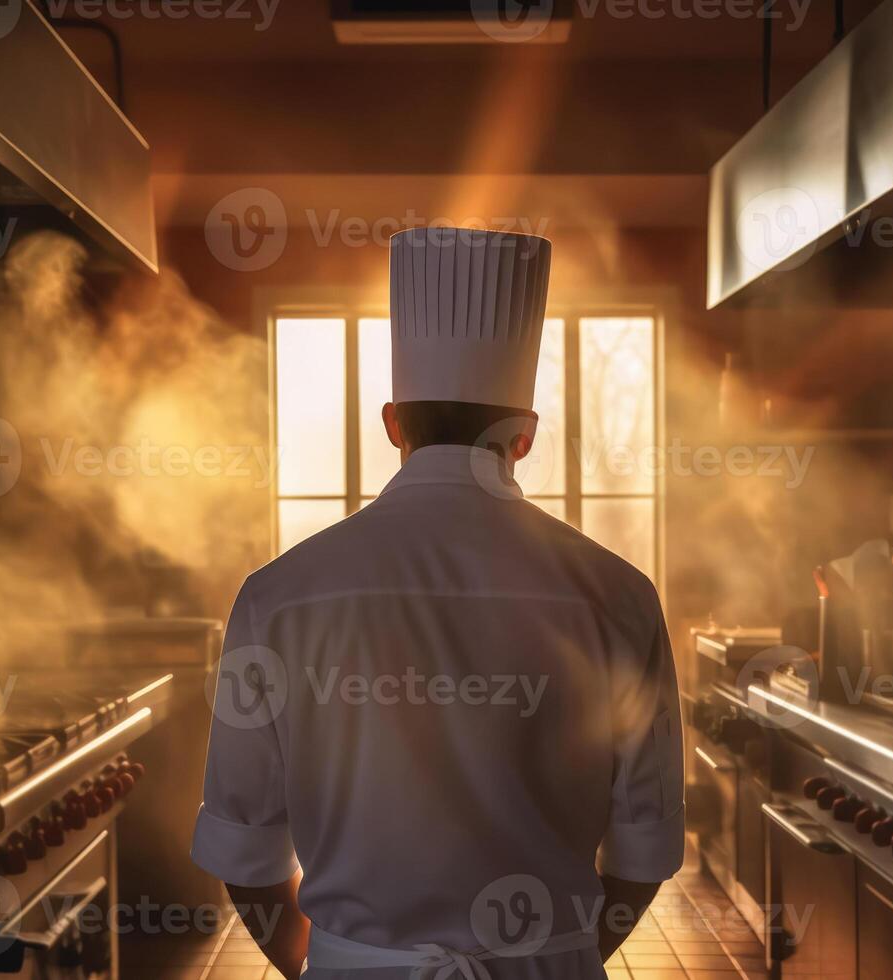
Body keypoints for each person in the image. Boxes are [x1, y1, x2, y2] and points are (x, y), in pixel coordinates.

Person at [192, 226, 684, 980]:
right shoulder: (617, 593)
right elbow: (643, 849)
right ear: (524, 436)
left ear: (392, 423)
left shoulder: (280, 596)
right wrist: (561, 958)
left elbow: (246, 852)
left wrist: (333, 963)